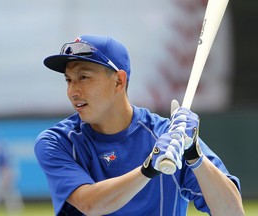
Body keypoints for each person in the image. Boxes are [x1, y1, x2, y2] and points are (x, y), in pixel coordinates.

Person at [34, 34, 245, 216]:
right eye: (69, 80)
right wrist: (149, 168)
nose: (73, 91)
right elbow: (89, 204)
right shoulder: (57, 142)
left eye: (83, 77)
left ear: (119, 81)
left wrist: (193, 156)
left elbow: (232, 212)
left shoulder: (168, 136)